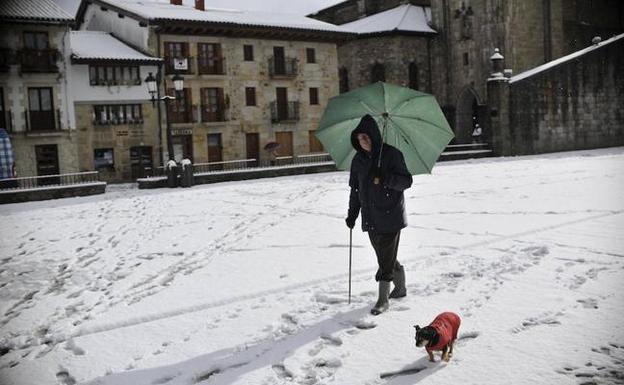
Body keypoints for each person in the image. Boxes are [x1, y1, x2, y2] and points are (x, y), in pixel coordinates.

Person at [345, 114, 413, 315]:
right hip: (370, 216)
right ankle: (400, 288)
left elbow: (406, 182)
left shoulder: (392, 155)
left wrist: (385, 178)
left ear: (374, 136)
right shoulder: (358, 160)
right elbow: (355, 190)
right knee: (385, 254)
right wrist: (352, 214)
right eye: (359, 139)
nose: (362, 142)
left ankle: (383, 299)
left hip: (391, 215)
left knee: (384, 260)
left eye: (365, 137)